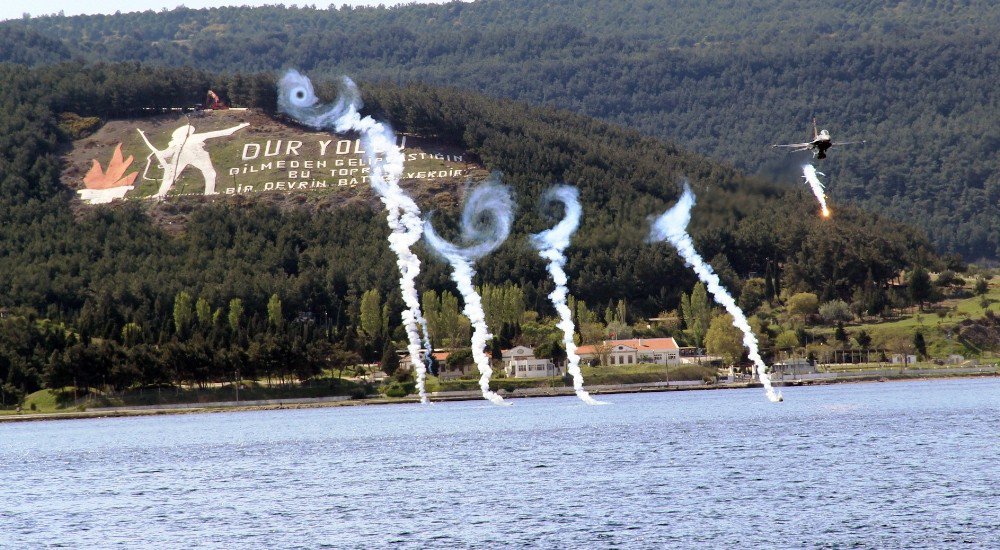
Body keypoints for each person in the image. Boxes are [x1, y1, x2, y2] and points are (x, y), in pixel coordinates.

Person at [138, 122, 249, 197]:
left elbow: (224, 132)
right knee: (170, 177)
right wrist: (160, 154)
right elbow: (165, 154)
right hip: (184, 157)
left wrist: (239, 126)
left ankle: (209, 193)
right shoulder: (177, 143)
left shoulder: (193, 138)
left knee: (210, 173)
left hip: (197, 156)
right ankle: (161, 194)